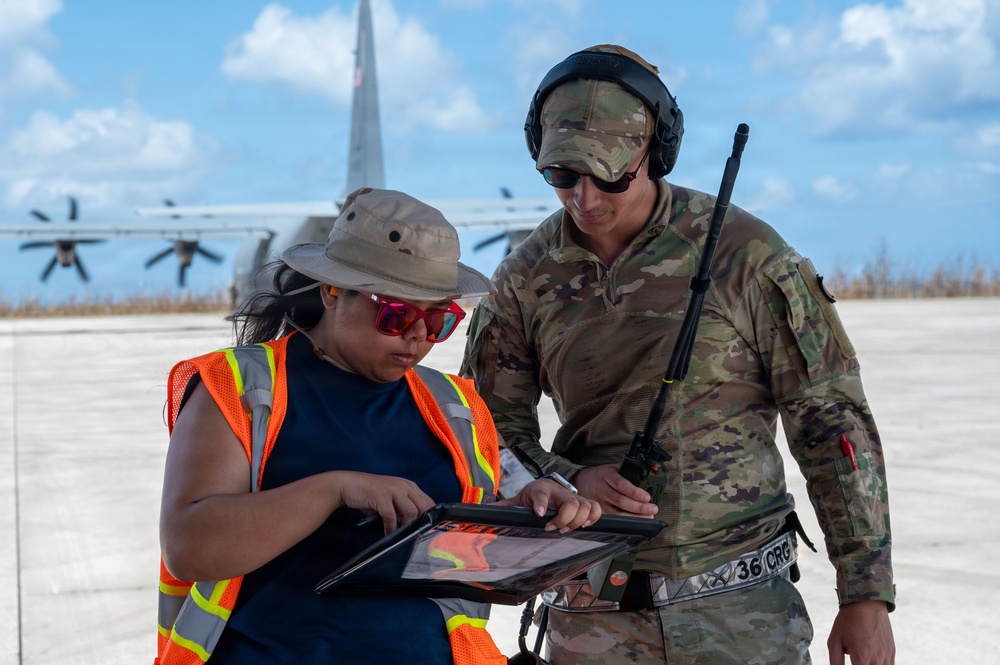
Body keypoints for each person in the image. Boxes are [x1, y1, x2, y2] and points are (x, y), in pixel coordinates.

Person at [460, 45, 895, 665]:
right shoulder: (523, 279)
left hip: (742, 621)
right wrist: (567, 479)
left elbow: (831, 421)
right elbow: (482, 432)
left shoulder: (747, 256)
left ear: (655, 151)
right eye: (562, 175)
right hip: (593, 619)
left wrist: (866, 595)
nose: (584, 198)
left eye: (609, 174)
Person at [155, 187, 601, 665]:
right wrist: (334, 490)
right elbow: (189, 548)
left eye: (438, 322)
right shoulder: (242, 387)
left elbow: (462, 553)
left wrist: (527, 518)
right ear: (331, 292)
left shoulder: (455, 405)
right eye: (395, 314)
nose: (417, 336)